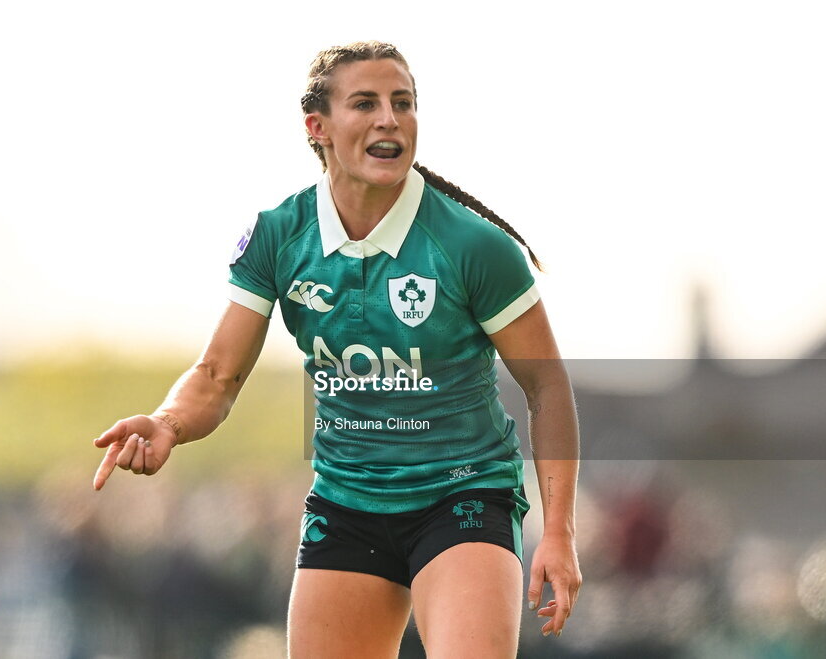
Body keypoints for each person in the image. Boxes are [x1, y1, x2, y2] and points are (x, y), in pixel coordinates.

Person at [93, 40, 581, 657]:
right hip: (347, 504)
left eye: (403, 103)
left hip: (462, 495)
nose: (389, 119)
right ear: (317, 127)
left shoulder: (475, 247)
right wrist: (166, 423)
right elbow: (217, 377)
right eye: (366, 103)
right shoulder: (278, 236)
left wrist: (558, 532)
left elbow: (547, 387)